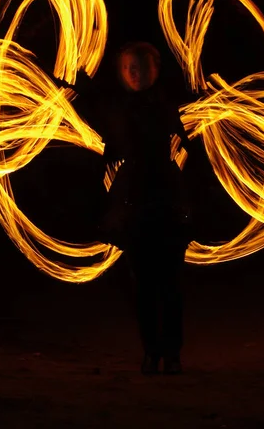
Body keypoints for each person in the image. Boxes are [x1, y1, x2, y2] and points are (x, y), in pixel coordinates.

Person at [55, 41, 193, 375]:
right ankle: (151, 352)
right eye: (130, 67)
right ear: (121, 72)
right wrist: (64, 85)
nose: (136, 73)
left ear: (155, 70)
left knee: (171, 285)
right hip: (132, 207)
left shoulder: (171, 105)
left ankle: (172, 354)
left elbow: (190, 140)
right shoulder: (112, 106)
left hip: (168, 205)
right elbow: (83, 101)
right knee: (144, 285)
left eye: (142, 67)